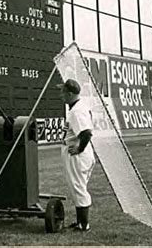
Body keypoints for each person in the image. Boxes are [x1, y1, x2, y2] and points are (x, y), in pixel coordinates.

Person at [58, 78, 95, 232]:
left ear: (71, 93)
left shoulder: (77, 110)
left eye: (64, 92)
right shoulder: (77, 107)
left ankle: (84, 225)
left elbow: (86, 132)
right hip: (81, 153)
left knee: (79, 188)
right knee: (78, 187)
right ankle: (81, 222)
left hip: (78, 155)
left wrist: (79, 149)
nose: (61, 95)